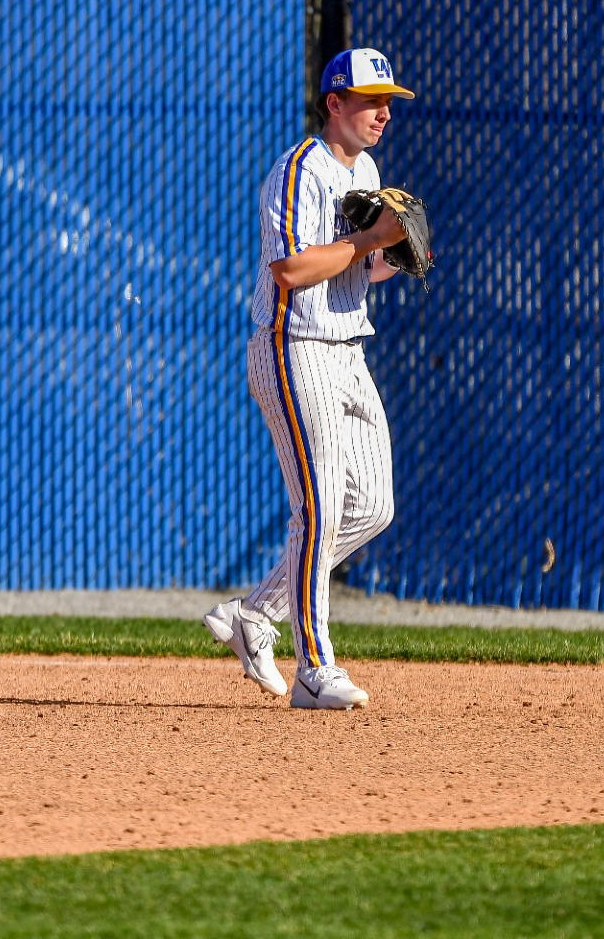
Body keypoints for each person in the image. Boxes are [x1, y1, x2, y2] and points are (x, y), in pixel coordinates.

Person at [203, 48, 417, 710]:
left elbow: (352, 269)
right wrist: (367, 240)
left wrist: (391, 259)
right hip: (294, 348)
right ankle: (314, 670)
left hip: (348, 348)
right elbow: (290, 271)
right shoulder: (299, 170)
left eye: (388, 100)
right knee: (317, 509)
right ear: (334, 103)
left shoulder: (369, 169)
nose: (383, 112)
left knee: (372, 506)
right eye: (369, 99)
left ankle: (253, 614)